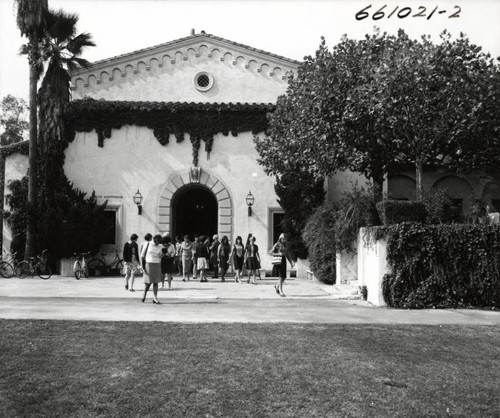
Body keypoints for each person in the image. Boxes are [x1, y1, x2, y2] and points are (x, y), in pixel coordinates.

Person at [141, 234, 163, 304]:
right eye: (157, 242)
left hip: (157, 264)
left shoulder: (160, 246)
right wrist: (142, 266)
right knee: (148, 282)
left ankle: (155, 298)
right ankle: (144, 293)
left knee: (156, 282)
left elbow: (160, 256)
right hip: (149, 264)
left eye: (159, 242)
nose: (158, 243)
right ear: (154, 240)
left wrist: (162, 255)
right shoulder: (148, 244)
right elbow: (142, 255)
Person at [271, 233, 295, 297]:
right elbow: (271, 252)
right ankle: (281, 291)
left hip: (284, 261)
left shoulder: (286, 245)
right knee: (281, 277)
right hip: (278, 261)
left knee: (283, 277)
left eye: (285, 239)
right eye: (283, 239)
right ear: (280, 238)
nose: (284, 240)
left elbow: (288, 255)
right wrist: (278, 254)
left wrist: (291, 262)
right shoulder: (277, 244)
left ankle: (277, 286)